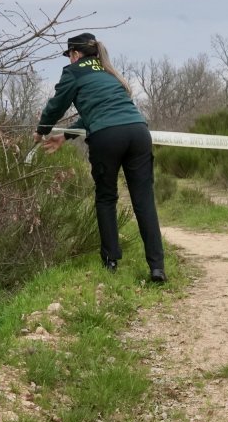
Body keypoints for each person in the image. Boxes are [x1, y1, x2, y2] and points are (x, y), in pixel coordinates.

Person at [36, 32, 166, 283]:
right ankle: (157, 267)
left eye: (70, 55)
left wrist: (40, 131)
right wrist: (66, 136)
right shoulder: (108, 72)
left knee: (106, 197)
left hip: (108, 137)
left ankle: (111, 261)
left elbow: (56, 106)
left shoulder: (73, 72)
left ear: (75, 54)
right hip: (138, 132)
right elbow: (96, 112)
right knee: (144, 200)